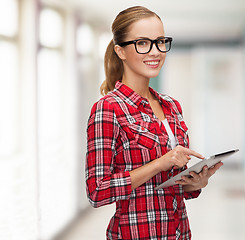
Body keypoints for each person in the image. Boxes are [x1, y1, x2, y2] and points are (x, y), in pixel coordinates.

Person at [85, 6, 223, 240]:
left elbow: (173, 187)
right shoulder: (108, 109)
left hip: (179, 233)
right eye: (142, 43)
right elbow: (97, 191)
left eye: (160, 41)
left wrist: (196, 183)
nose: (155, 51)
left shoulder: (171, 106)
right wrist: (160, 164)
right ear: (121, 51)